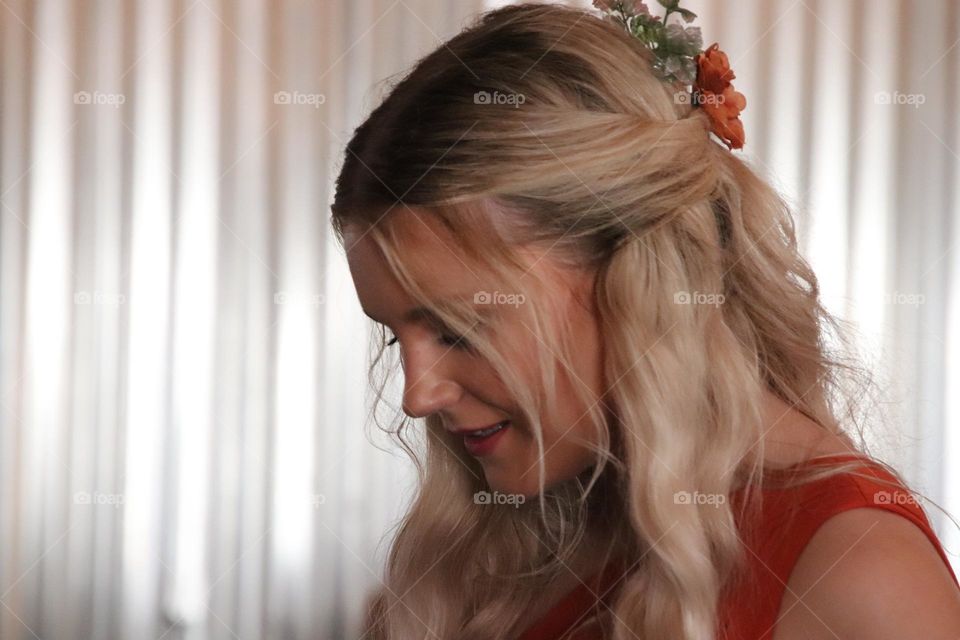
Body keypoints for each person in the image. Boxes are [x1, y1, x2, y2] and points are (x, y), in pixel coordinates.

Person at [329, 2, 960, 638]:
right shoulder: (526, 540)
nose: (417, 395)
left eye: (457, 330)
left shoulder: (856, 575)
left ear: (637, 277)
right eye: (393, 336)